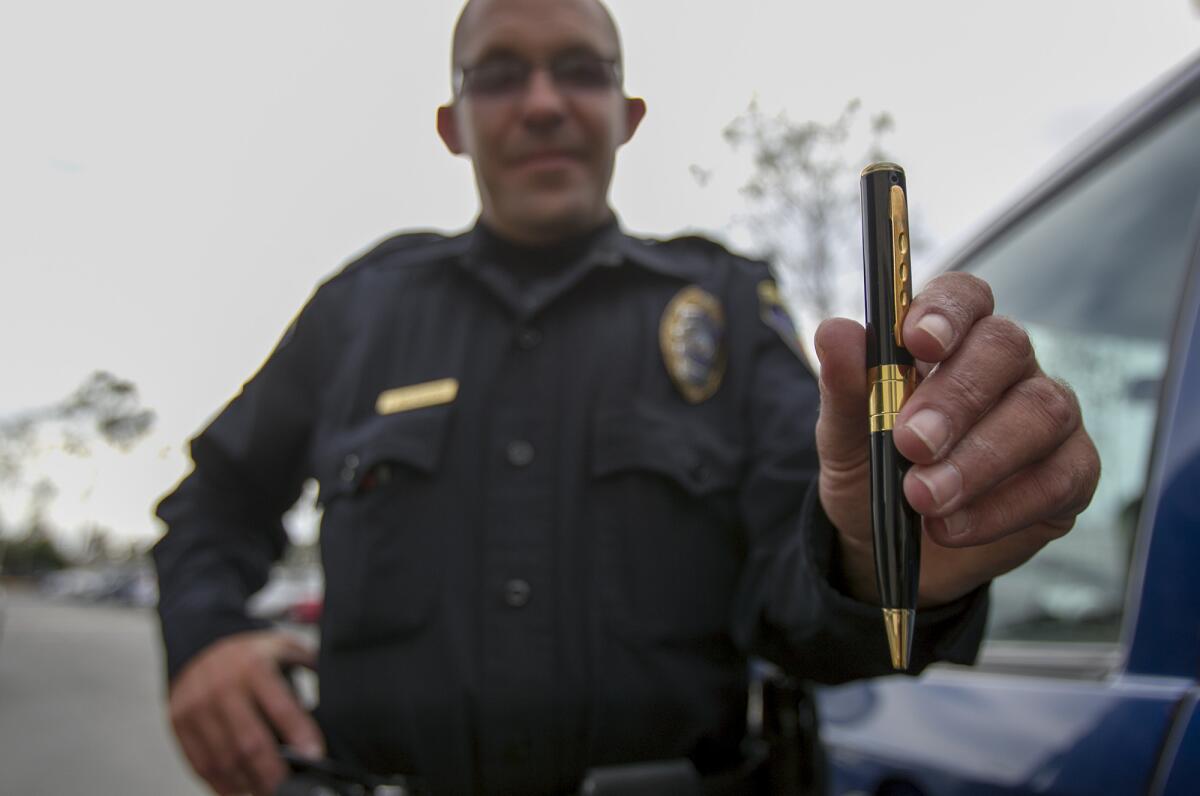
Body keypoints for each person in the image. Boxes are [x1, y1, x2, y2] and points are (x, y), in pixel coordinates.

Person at [152, 1, 1100, 794]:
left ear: (627, 112)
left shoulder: (724, 307)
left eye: (580, 70)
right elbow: (215, 500)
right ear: (452, 123)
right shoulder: (357, 310)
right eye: (498, 75)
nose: (543, 104)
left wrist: (878, 558)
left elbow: (798, 589)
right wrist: (206, 636)